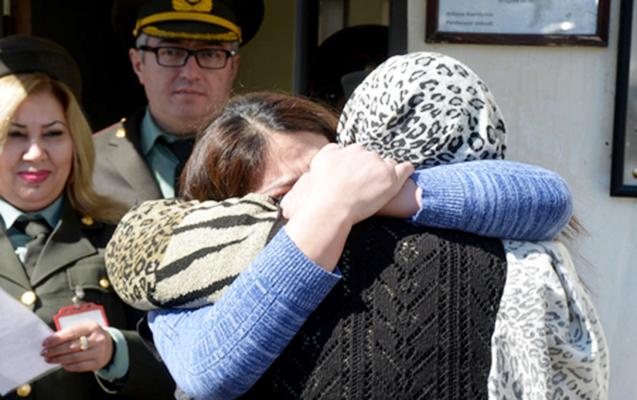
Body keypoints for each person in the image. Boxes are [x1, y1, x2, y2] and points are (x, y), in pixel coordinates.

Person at [105, 86, 574, 400]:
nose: (322, 189)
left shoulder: (369, 202)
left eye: (328, 172)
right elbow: (210, 372)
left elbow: (548, 200)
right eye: (289, 191)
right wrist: (330, 209)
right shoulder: (183, 276)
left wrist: (388, 193)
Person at [0, 35, 176, 399]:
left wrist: (115, 352)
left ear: (75, 143)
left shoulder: (122, 236)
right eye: (15, 135)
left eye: (53, 134)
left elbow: (180, 364)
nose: (35, 153)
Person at [92, 0, 264, 208]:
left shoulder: (265, 157)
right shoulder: (88, 159)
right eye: (171, 52)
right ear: (138, 64)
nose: (190, 73)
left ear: (233, 68)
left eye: (210, 54)